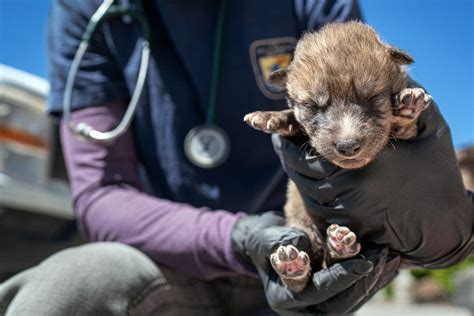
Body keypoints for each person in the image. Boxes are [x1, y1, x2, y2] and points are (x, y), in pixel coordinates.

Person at [1, 0, 472, 315]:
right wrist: (242, 239)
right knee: (63, 294)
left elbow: (367, 84)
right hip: (169, 259)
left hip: (311, 262)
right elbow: (101, 194)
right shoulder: (88, 11)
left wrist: (424, 205)